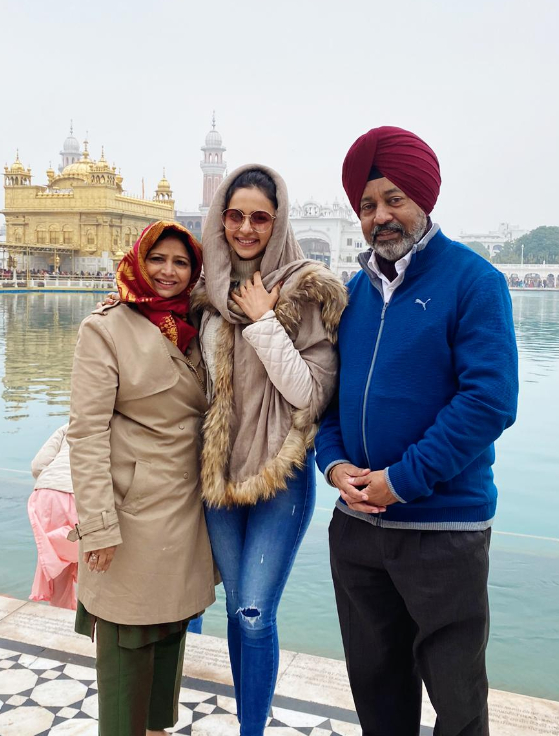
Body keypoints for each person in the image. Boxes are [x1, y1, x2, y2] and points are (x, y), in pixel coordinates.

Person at [315, 126, 519, 736]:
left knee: (457, 704)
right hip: (357, 529)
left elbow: (488, 403)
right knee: (377, 695)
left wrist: (401, 481)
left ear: (424, 199)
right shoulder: (353, 294)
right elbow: (327, 400)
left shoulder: (473, 282)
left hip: (442, 529)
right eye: (368, 204)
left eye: (394, 199)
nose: (381, 215)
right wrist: (333, 463)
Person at [191, 165, 347, 736]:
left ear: (277, 221)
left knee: (255, 613)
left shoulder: (310, 288)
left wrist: (264, 322)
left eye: (260, 217)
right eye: (235, 216)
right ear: (221, 219)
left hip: (280, 475)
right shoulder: (205, 292)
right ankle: (245, 717)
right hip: (218, 477)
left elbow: (309, 394)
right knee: (234, 607)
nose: (246, 228)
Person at [67, 221, 217, 736]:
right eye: (158, 260)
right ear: (137, 261)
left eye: (181, 262)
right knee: (126, 642)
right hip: (132, 512)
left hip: (185, 508)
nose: (168, 272)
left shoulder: (199, 326)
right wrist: (98, 526)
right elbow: (85, 434)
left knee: (169, 632)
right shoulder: (105, 328)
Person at [28, 423, 78, 610]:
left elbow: (37, 465)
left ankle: (61, 615)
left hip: (44, 494)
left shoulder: (69, 426)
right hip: (81, 494)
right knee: (94, 560)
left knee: (57, 565)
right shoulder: (122, 424)